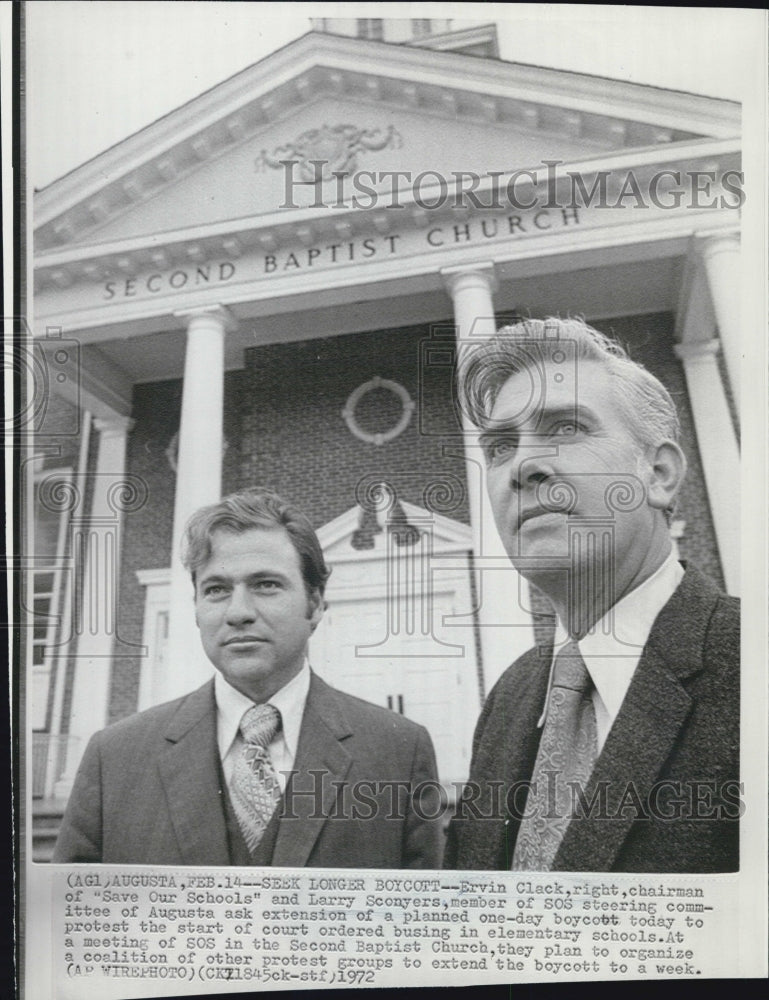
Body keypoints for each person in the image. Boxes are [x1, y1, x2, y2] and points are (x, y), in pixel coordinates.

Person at [444, 318, 740, 873]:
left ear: (658, 474)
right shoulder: (509, 698)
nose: (523, 466)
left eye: (564, 428)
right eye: (500, 446)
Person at [54, 488, 442, 867]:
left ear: (316, 602)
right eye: (217, 589)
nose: (238, 612)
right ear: (196, 608)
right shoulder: (115, 758)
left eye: (266, 585)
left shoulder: (399, 753)